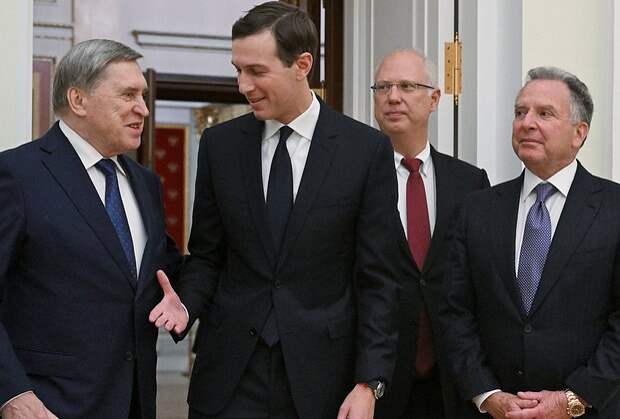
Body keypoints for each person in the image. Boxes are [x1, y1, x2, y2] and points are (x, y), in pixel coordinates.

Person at [152, 2, 401, 418]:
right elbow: (208, 256)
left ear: (302, 65)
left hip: (323, 380)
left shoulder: (365, 151)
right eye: (238, 70)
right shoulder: (219, 146)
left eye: (257, 71)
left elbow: (379, 279)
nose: (243, 85)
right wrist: (187, 304)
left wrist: (369, 382)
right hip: (229, 377)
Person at [0, 39, 182, 419]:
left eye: (143, 96)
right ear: (78, 100)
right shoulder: (17, 175)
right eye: (128, 95)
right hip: (48, 406)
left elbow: (163, 270)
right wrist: (11, 393)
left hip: (135, 405)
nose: (143, 109)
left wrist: (188, 298)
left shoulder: (146, 184)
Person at [440, 66, 620, 418]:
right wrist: (486, 394)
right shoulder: (477, 209)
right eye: (520, 112)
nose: (526, 123)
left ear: (579, 133)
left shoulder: (613, 208)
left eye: (544, 113)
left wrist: (574, 399)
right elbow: (453, 311)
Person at [371, 49, 489, 419]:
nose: (393, 97)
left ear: (435, 99)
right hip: (376, 382)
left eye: (407, 86)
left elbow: (479, 283)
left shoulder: (470, 183)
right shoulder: (353, 178)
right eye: (383, 87)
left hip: (451, 383)